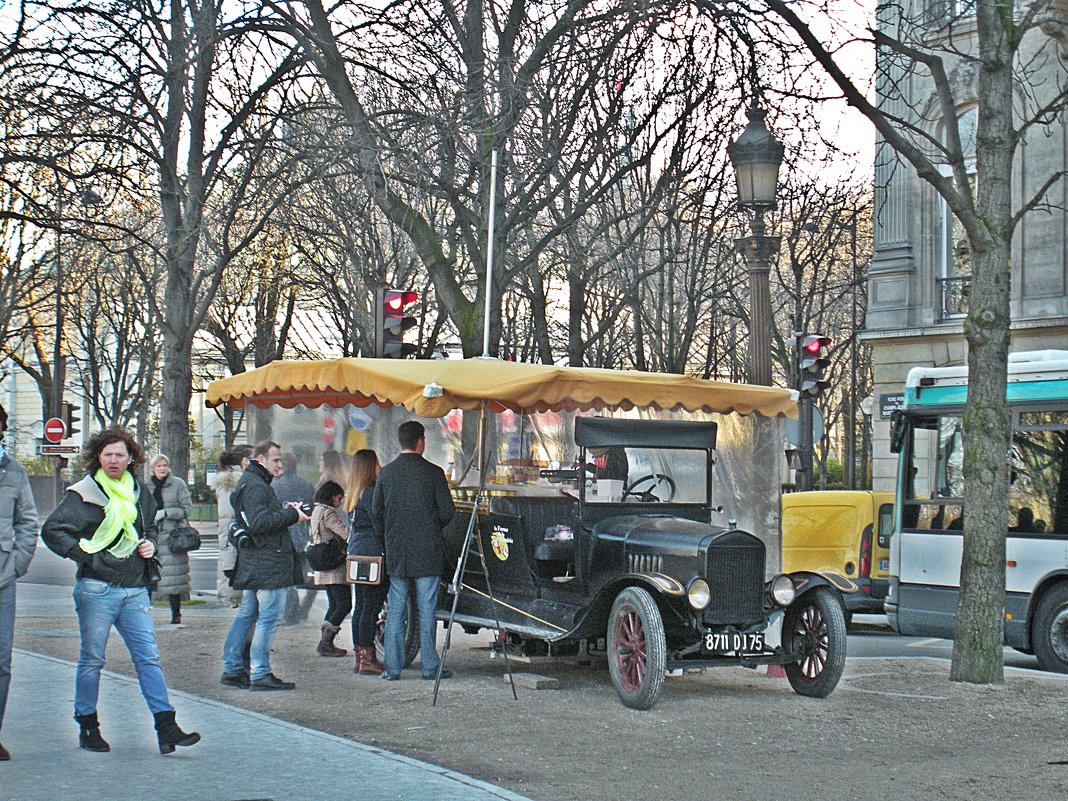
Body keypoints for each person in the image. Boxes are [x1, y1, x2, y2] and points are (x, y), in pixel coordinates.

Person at [40, 427, 200, 755]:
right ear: (98, 457)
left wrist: (150, 544)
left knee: (149, 658)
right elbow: (52, 530)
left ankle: (166, 726)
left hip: (135, 590)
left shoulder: (140, 491)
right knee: (92, 659)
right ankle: (87, 724)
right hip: (96, 589)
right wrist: (88, 556)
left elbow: (150, 526)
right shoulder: (84, 492)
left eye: (120, 455)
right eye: (108, 454)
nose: (113, 460)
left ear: (131, 459)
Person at [220, 440, 310, 691]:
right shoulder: (257, 486)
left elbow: (257, 517)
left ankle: (233, 667)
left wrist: (282, 508)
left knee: (248, 613)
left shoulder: (253, 483)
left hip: (256, 561)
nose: (280, 464)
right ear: (261, 460)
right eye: (276, 460)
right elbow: (259, 523)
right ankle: (259, 671)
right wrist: (292, 515)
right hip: (267, 563)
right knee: (269, 618)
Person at [373, 421, 455, 681]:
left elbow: (376, 514)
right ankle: (430, 667)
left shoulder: (386, 473)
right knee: (427, 610)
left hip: (397, 550)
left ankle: (392, 668)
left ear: (401, 441)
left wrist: (389, 536)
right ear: (421, 441)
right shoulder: (434, 472)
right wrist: (430, 527)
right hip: (428, 551)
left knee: (397, 609)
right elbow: (447, 512)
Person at [0, 403, 38, 761]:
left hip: (2, 580)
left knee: (1, 662)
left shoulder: (14, 471)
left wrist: (17, 564)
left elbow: (28, 521)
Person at [344, 449, 385, 675]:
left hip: (357, 552)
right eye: (377, 463)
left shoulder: (355, 492)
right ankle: (368, 658)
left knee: (360, 606)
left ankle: (360, 657)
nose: (380, 467)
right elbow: (380, 525)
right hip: (372, 554)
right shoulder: (371, 494)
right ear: (371, 467)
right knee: (370, 607)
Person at [147, 454, 193, 625]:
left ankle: (176, 613)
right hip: (152, 534)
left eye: (165, 465)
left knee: (174, 577)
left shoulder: (178, 484)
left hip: (172, 536)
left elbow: (187, 508)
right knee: (149, 574)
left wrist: (167, 513)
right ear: (153, 468)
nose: (162, 468)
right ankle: (144, 612)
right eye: (159, 466)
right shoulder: (146, 485)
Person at [273, 451, 317, 625]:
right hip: (303, 534)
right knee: (307, 574)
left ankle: (291, 612)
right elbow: (311, 509)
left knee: (288, 576)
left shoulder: (276, 486)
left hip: (285, 535)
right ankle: (304, 609)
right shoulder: (306, 484)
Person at [309, 480, 351, 657]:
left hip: (323, 565)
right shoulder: (328, 514)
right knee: (344, 604)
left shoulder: (316, 510)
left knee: (334, 604)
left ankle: (326, 642)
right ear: (332, 496)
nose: (340, 502)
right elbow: (346, 534)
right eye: (339, 498)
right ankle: (325, 642)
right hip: (334, 567)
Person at [212, 445, 251, 608]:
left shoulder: (233, 482)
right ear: (245, 461)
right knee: (243, 607)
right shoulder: (234, 483)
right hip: (236, 545)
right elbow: (230, 521)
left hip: (233, 544)